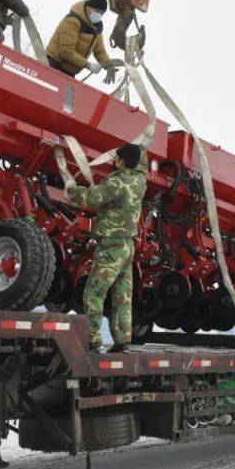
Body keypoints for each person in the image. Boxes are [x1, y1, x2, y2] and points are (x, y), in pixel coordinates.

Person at [59, 143, 147, 352]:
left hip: (111, 246)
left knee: (94, 292)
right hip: (127, 246)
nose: (113, 160)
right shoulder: (140, 180)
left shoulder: (117, 182)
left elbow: (91, 198)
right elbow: (141, 164)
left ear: (123, 161)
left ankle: (93, 339)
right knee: (122, 296)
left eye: (116, 157)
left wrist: (71, 189)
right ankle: (122, 340)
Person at [46, 0, 119, 84]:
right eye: (97, 11)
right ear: (89, 7)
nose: (98, 15)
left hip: (70, 71)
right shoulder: (72, 21)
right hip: (53, 65)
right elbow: (66, 51)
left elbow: (100, 52)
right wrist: (88, 65)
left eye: (101, 13)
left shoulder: (96, 30)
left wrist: (109, 66)